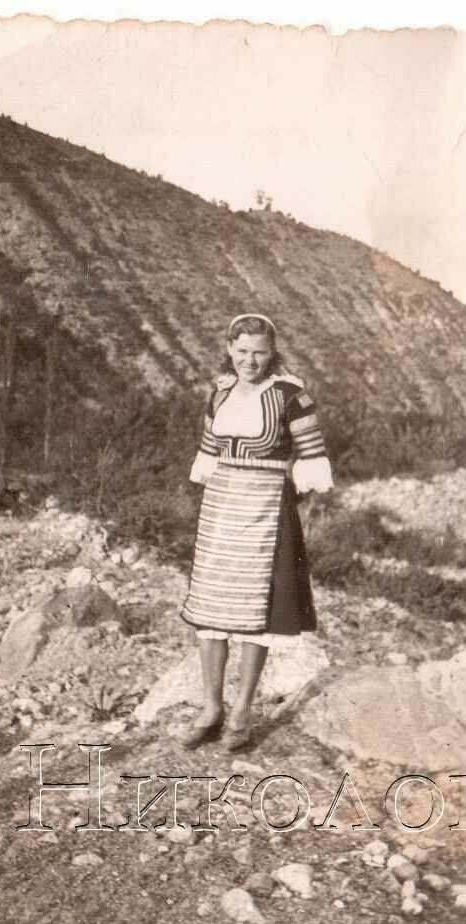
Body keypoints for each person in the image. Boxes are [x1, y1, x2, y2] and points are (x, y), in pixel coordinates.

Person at [180, 313, 333, 750]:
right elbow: (209, 452)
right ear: (230, 349)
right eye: (242, 351)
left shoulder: (291, 396)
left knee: (254, 615)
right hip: (220, 509)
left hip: (266, 508)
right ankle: (211, 708)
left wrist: (289, 505)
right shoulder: (220, 392)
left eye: (259, 352)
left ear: (272, 352)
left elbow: (311, 456)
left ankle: (242, 713)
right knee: (211, 611)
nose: (250, 360)